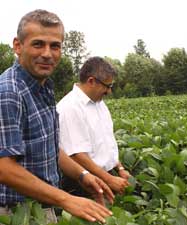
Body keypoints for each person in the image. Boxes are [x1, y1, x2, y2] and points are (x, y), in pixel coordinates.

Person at [0, 9, 114, 224]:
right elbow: (4, 168)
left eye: (55, 46)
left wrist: (83, 175)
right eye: (38, 44)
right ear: (18, 46)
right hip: (15, 214)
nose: (47, 53)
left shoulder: (43, 88)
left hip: (43, 205)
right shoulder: (8, 92)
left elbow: (49, 147)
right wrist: (66, 199)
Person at [57, 57, 131, 197]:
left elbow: (107, 142)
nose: (109, 91)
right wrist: (108, 179)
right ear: (91, 81)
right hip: (85, 183)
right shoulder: (70, 107)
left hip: (105, 176)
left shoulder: (99, 103)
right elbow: (76, 155)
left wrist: (120, 168)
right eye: (107, 86)